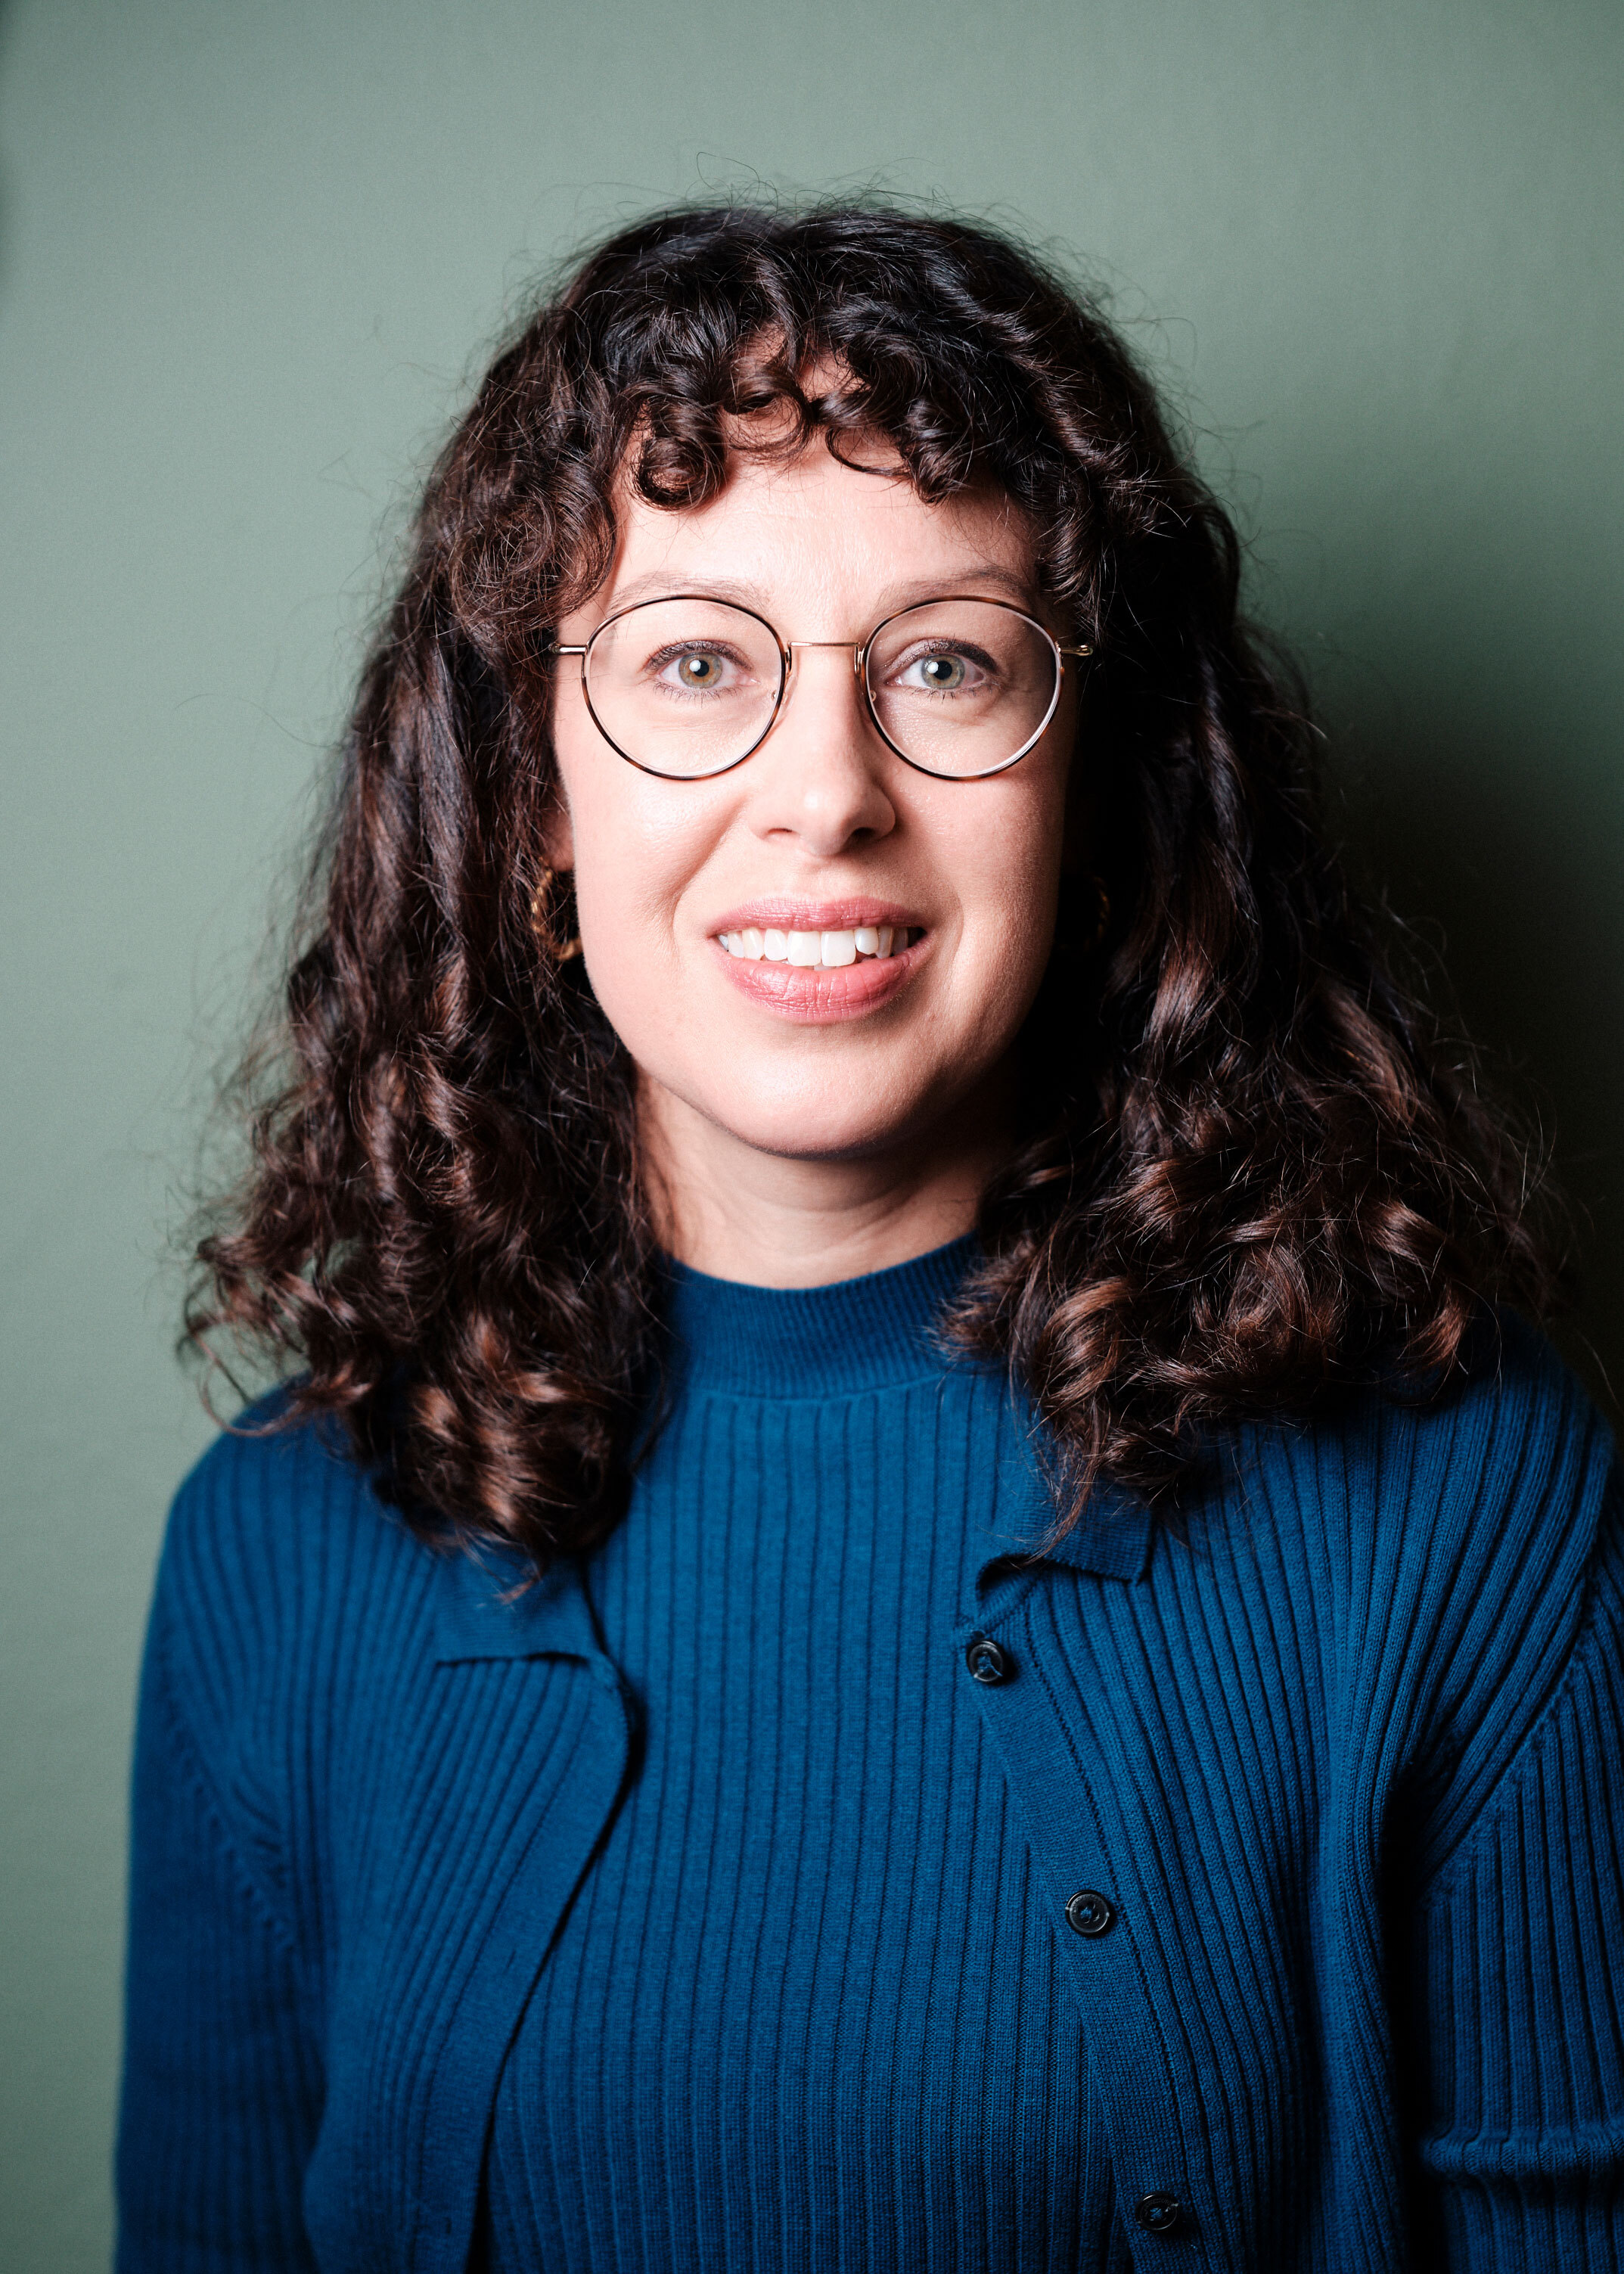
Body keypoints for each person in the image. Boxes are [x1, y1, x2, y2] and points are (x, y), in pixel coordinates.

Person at [115, 204, 1623, 2272]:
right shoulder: (276, 1548)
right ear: (535, 796)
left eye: (942, 662)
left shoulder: (1464, 1502)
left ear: (1090, 788)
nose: (824, 793)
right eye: (693, 663)